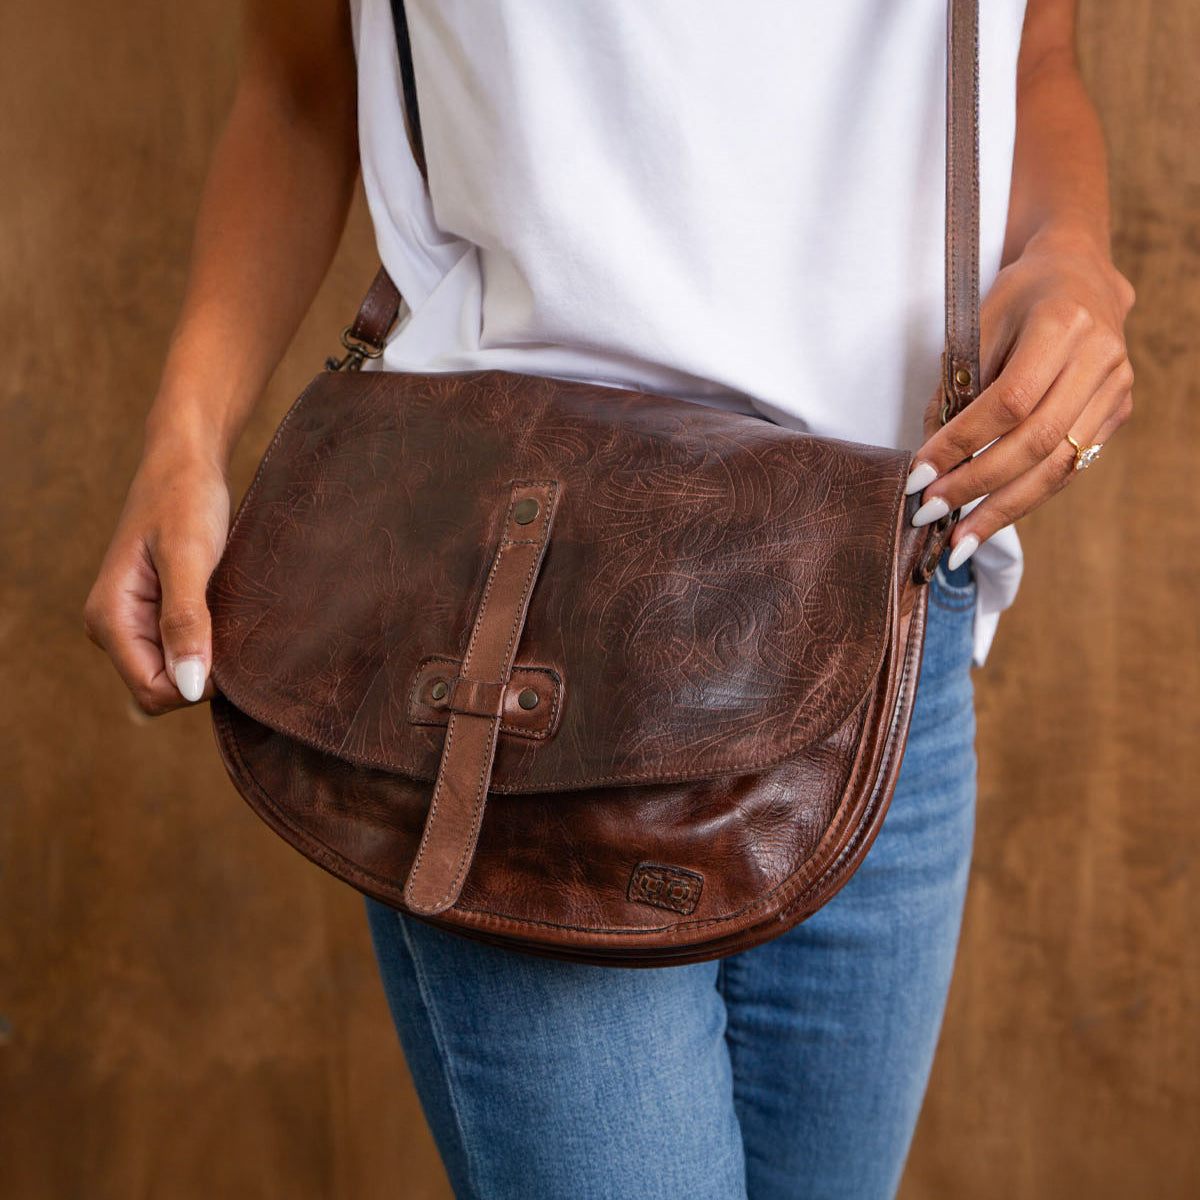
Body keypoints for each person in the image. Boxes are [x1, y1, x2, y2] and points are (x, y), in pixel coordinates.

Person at [83, 1, 1135, 1196]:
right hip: (514, 608)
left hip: (886, 606)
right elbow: (297, 87)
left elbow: (1034, 51)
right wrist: (183, 438)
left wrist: (1071, 253)